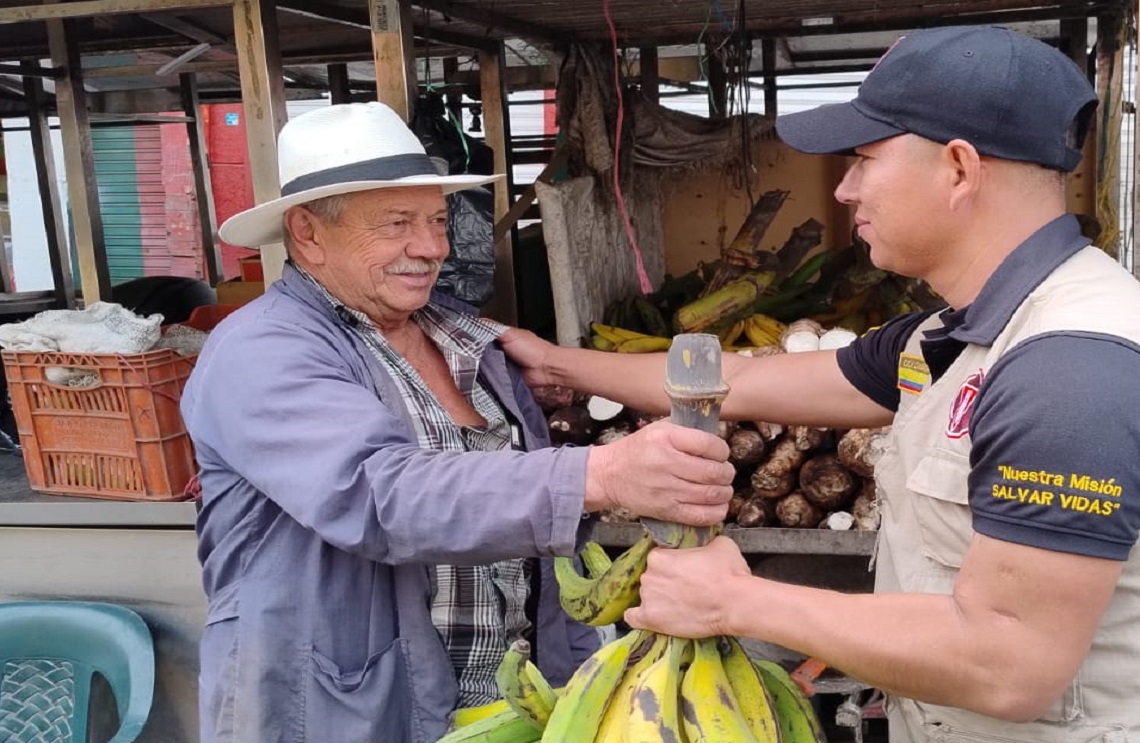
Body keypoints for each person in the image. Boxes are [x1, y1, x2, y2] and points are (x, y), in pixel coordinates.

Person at [501, 25, 1140, 742]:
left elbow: (1009, 663)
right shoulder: (948, 335)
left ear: (959, 168)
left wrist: (737, 601)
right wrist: (558, 363)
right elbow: (740, 381)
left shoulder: (1068, 367)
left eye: (865, 159)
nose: (844, 188)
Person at [180, 101, 735, 743]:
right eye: (397, 224)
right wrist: (603, 472)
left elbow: (541, 552)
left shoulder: (464, 337)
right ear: (307, 232)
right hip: (351, 713)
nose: (432, 247)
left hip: (511, 707)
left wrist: (581, 664)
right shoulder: (263, 351)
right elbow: (376, 492)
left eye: (439, 221)